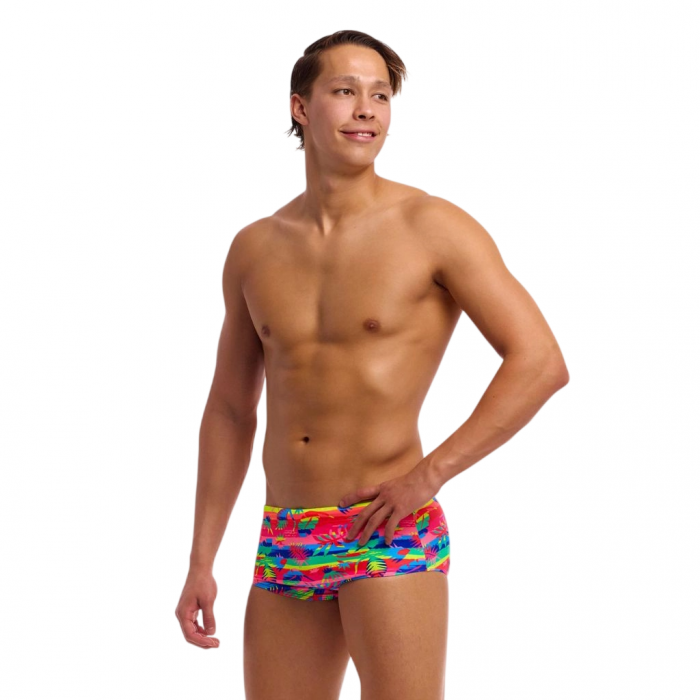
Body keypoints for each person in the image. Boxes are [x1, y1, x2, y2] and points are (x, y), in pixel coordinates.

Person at [175, 29, 569, 700]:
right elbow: (232, 409)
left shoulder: (432, 226)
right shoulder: (255, 248)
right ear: (301, 107)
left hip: (387, 530)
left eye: (381, 96)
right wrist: (201, 558)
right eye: (345, 91)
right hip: (287, 535)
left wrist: (428, 476)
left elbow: (540, 362)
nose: (366, 110)